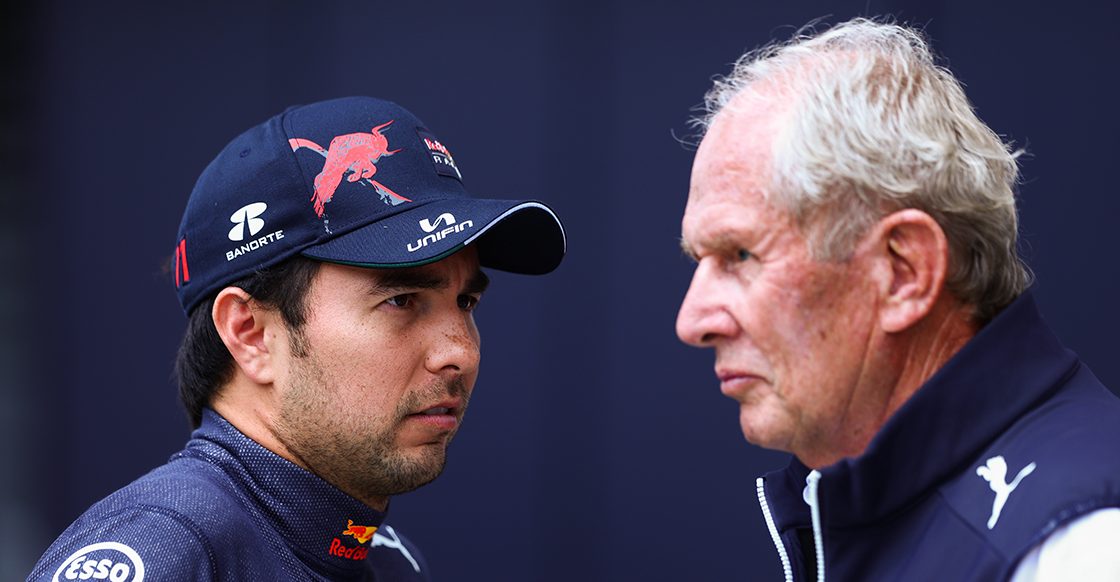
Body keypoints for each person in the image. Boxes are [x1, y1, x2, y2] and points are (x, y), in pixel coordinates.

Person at [29, 96, 566, 581]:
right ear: (251, 334)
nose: (461, 352)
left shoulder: (386, 560)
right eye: (401, 300)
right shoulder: (169, 552)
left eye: (466, 302)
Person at [675, 18, 1120, 582]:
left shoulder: (1083, 549)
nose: (692, 322)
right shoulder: (857, 501)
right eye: (699, 260)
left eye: (740, 254)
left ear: (904, 272)